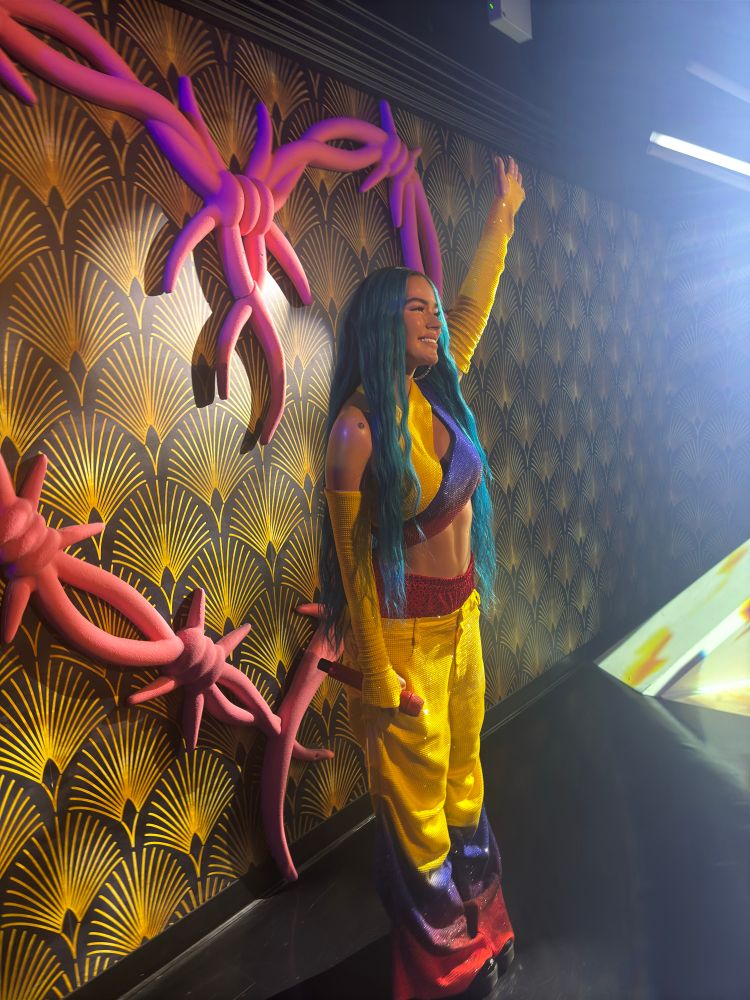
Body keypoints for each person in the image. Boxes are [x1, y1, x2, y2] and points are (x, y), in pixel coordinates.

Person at [320, 157, 525, 1000]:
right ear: (380, 321)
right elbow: (351, 559)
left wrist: (502, 216)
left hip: (459, 624)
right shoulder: (357, 431)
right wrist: (377, 671)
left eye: (434, 311)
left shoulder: (436, 392)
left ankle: (487, 930)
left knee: (466, 786)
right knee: (416, 818)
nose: (436, 322)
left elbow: (470, 307)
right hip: (403, 645)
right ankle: (445, 969)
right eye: (418, 309)